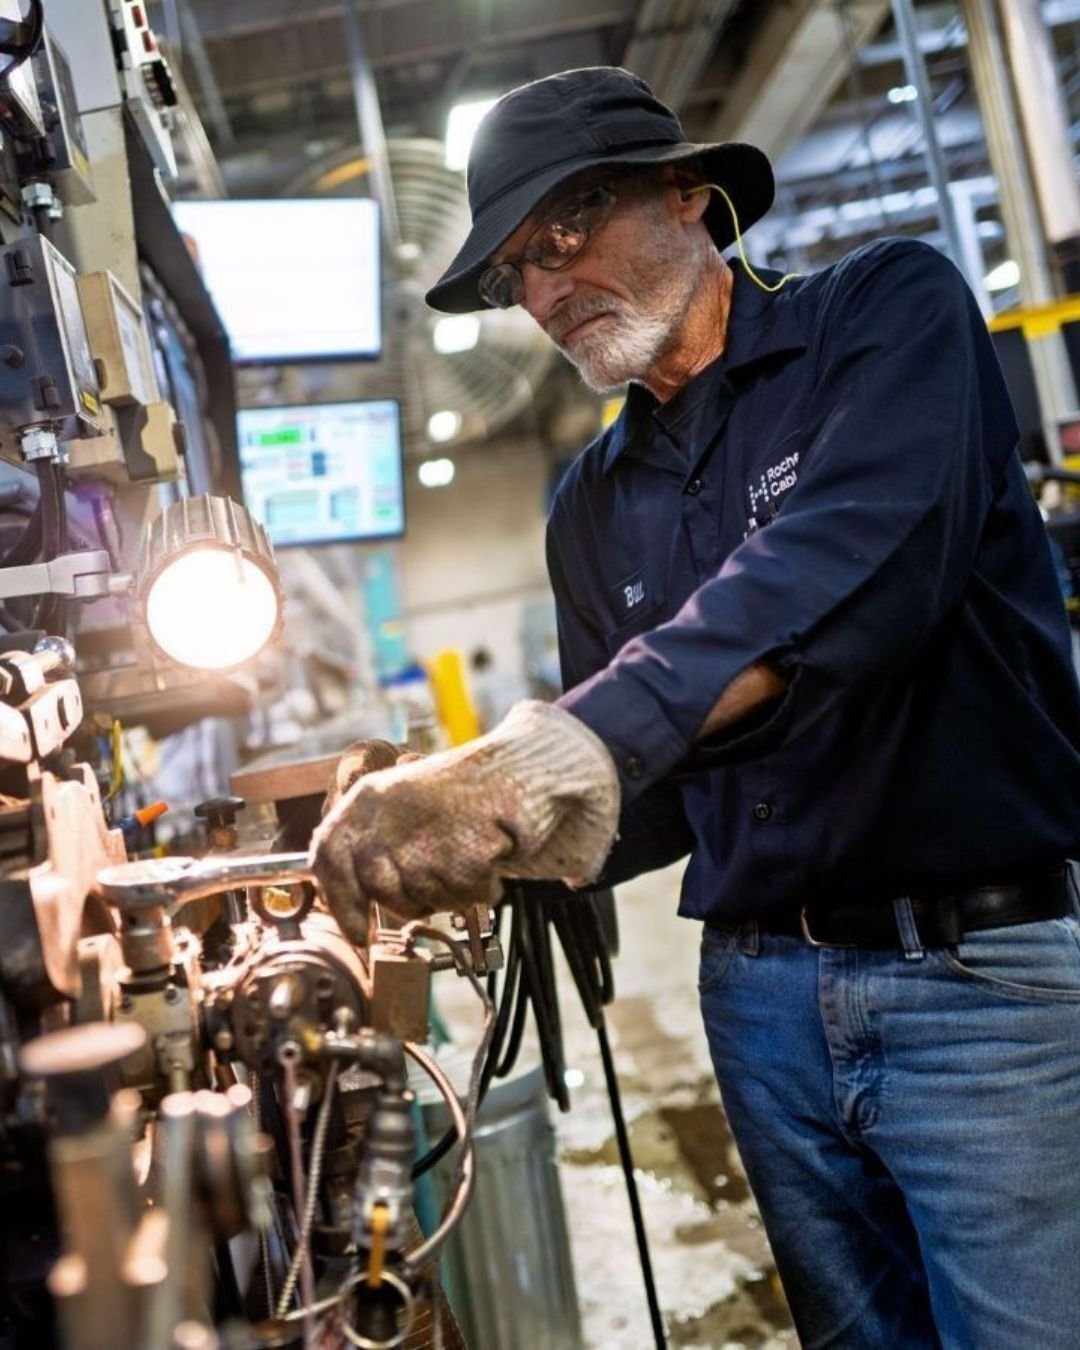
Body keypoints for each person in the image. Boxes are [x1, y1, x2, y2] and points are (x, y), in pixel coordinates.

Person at [313, 66, 1080, 1347]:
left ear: (692, 196)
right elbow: (652, 786)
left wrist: (542, 756)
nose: (547, 294)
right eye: (516, 275)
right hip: (761, 999)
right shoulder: (590, 504)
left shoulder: (884, 318)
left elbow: (843, 577)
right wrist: (480, 832)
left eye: (563, 235)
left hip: (972, 985)